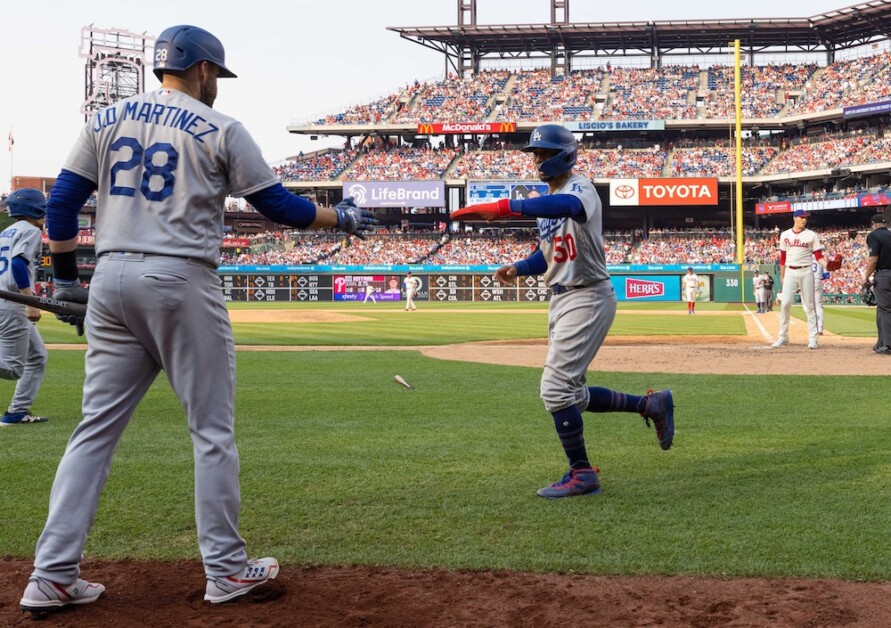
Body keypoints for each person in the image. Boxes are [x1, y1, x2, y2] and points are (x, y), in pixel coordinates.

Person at [19, 24, 376, 615]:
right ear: (205, 71)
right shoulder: (221, 127)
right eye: (218, 76)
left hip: (109, 279)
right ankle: (228, 571)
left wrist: (62, 281)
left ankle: (52, 574)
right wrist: (343, 219)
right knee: (210, 433)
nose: (217, 86)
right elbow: (279, 206)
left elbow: (59, 203)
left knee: (93, 433)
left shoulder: (104, 118)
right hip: (181, 280)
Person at [452, 123, 674, 499]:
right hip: (562, 297)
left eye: (543, 153)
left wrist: (506, 207)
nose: (538, 160)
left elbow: (570, 207)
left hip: (587, 295)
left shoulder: (579, 187)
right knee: (573, 393)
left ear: (564, 155)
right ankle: (650, 404)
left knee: (555, 390)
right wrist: (519, 268)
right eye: (535, 154)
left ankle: (582, 473)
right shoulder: (548, 201)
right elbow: (549, 253)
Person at [0, 189, 50, 427]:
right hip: (13, 302)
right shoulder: (30, 230)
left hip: (5, 298)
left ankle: (17, 411)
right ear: (34, 209)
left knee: (37, 356)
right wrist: (29, 301)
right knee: (13, 369)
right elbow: (19, 265)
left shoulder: (7, 232)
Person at [772, 210, 828, 350]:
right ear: (795, 218)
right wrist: (782, 276)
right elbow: (783, 258)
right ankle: (783, 337)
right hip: (790, 270)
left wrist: (829, 265)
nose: (804, 220)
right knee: (785, 304)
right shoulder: (785, 234)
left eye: (805, 218)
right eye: (801, 217)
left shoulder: (811, 235)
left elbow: (818, 256)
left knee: (809, 306)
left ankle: (813, 338)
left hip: (806, 270)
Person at [862, 212, 891, 354]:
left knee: (884, 309)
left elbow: (873, 259)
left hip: (884, 275)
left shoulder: (874, 235)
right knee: (883, 310)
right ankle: (881, 343)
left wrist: (866, 277)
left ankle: (887, 345)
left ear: (874, 224)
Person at [811, 256, 830, 335]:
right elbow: (826, 275)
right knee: (819, 306)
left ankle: (813, 328)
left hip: (808, 282)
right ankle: (820, 328)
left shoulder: (806, 257)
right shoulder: (821, 259)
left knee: (810, 306)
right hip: (817, 282)